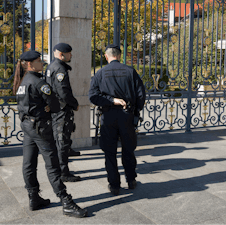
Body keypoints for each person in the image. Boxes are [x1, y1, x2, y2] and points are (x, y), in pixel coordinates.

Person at [13, 50, 87, 217]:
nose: (42, 63)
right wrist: (47, 107)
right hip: (41, 128)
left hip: (27, 127)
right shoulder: (39, 83)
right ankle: (65, 201)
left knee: (28, 163)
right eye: (39, 61)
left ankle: (33, 197)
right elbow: (54, 105)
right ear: (30, 64)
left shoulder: (23, 81)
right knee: (52, 165)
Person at [89, 44, 146, 195]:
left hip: (108, 117)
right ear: (119, 56)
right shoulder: (130, 71)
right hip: (127, 116)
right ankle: (131, 180)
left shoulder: (100, 73)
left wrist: (110, 100)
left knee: (110, 152)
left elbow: (93, 96)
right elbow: (141, 95)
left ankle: (114, 185)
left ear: (106, 56)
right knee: (128, 150)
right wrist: (136, 111)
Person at [45, 43, 81, 183]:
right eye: (69, 53)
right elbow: (63, 92)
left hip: (55, 108)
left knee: (60, 140)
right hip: (61, 110)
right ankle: (63, 172)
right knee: (62, 142)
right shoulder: (60, 69)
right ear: (62, 54)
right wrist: (74, 104)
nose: (71, 55)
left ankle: (59, 168)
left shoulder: (51, 66)